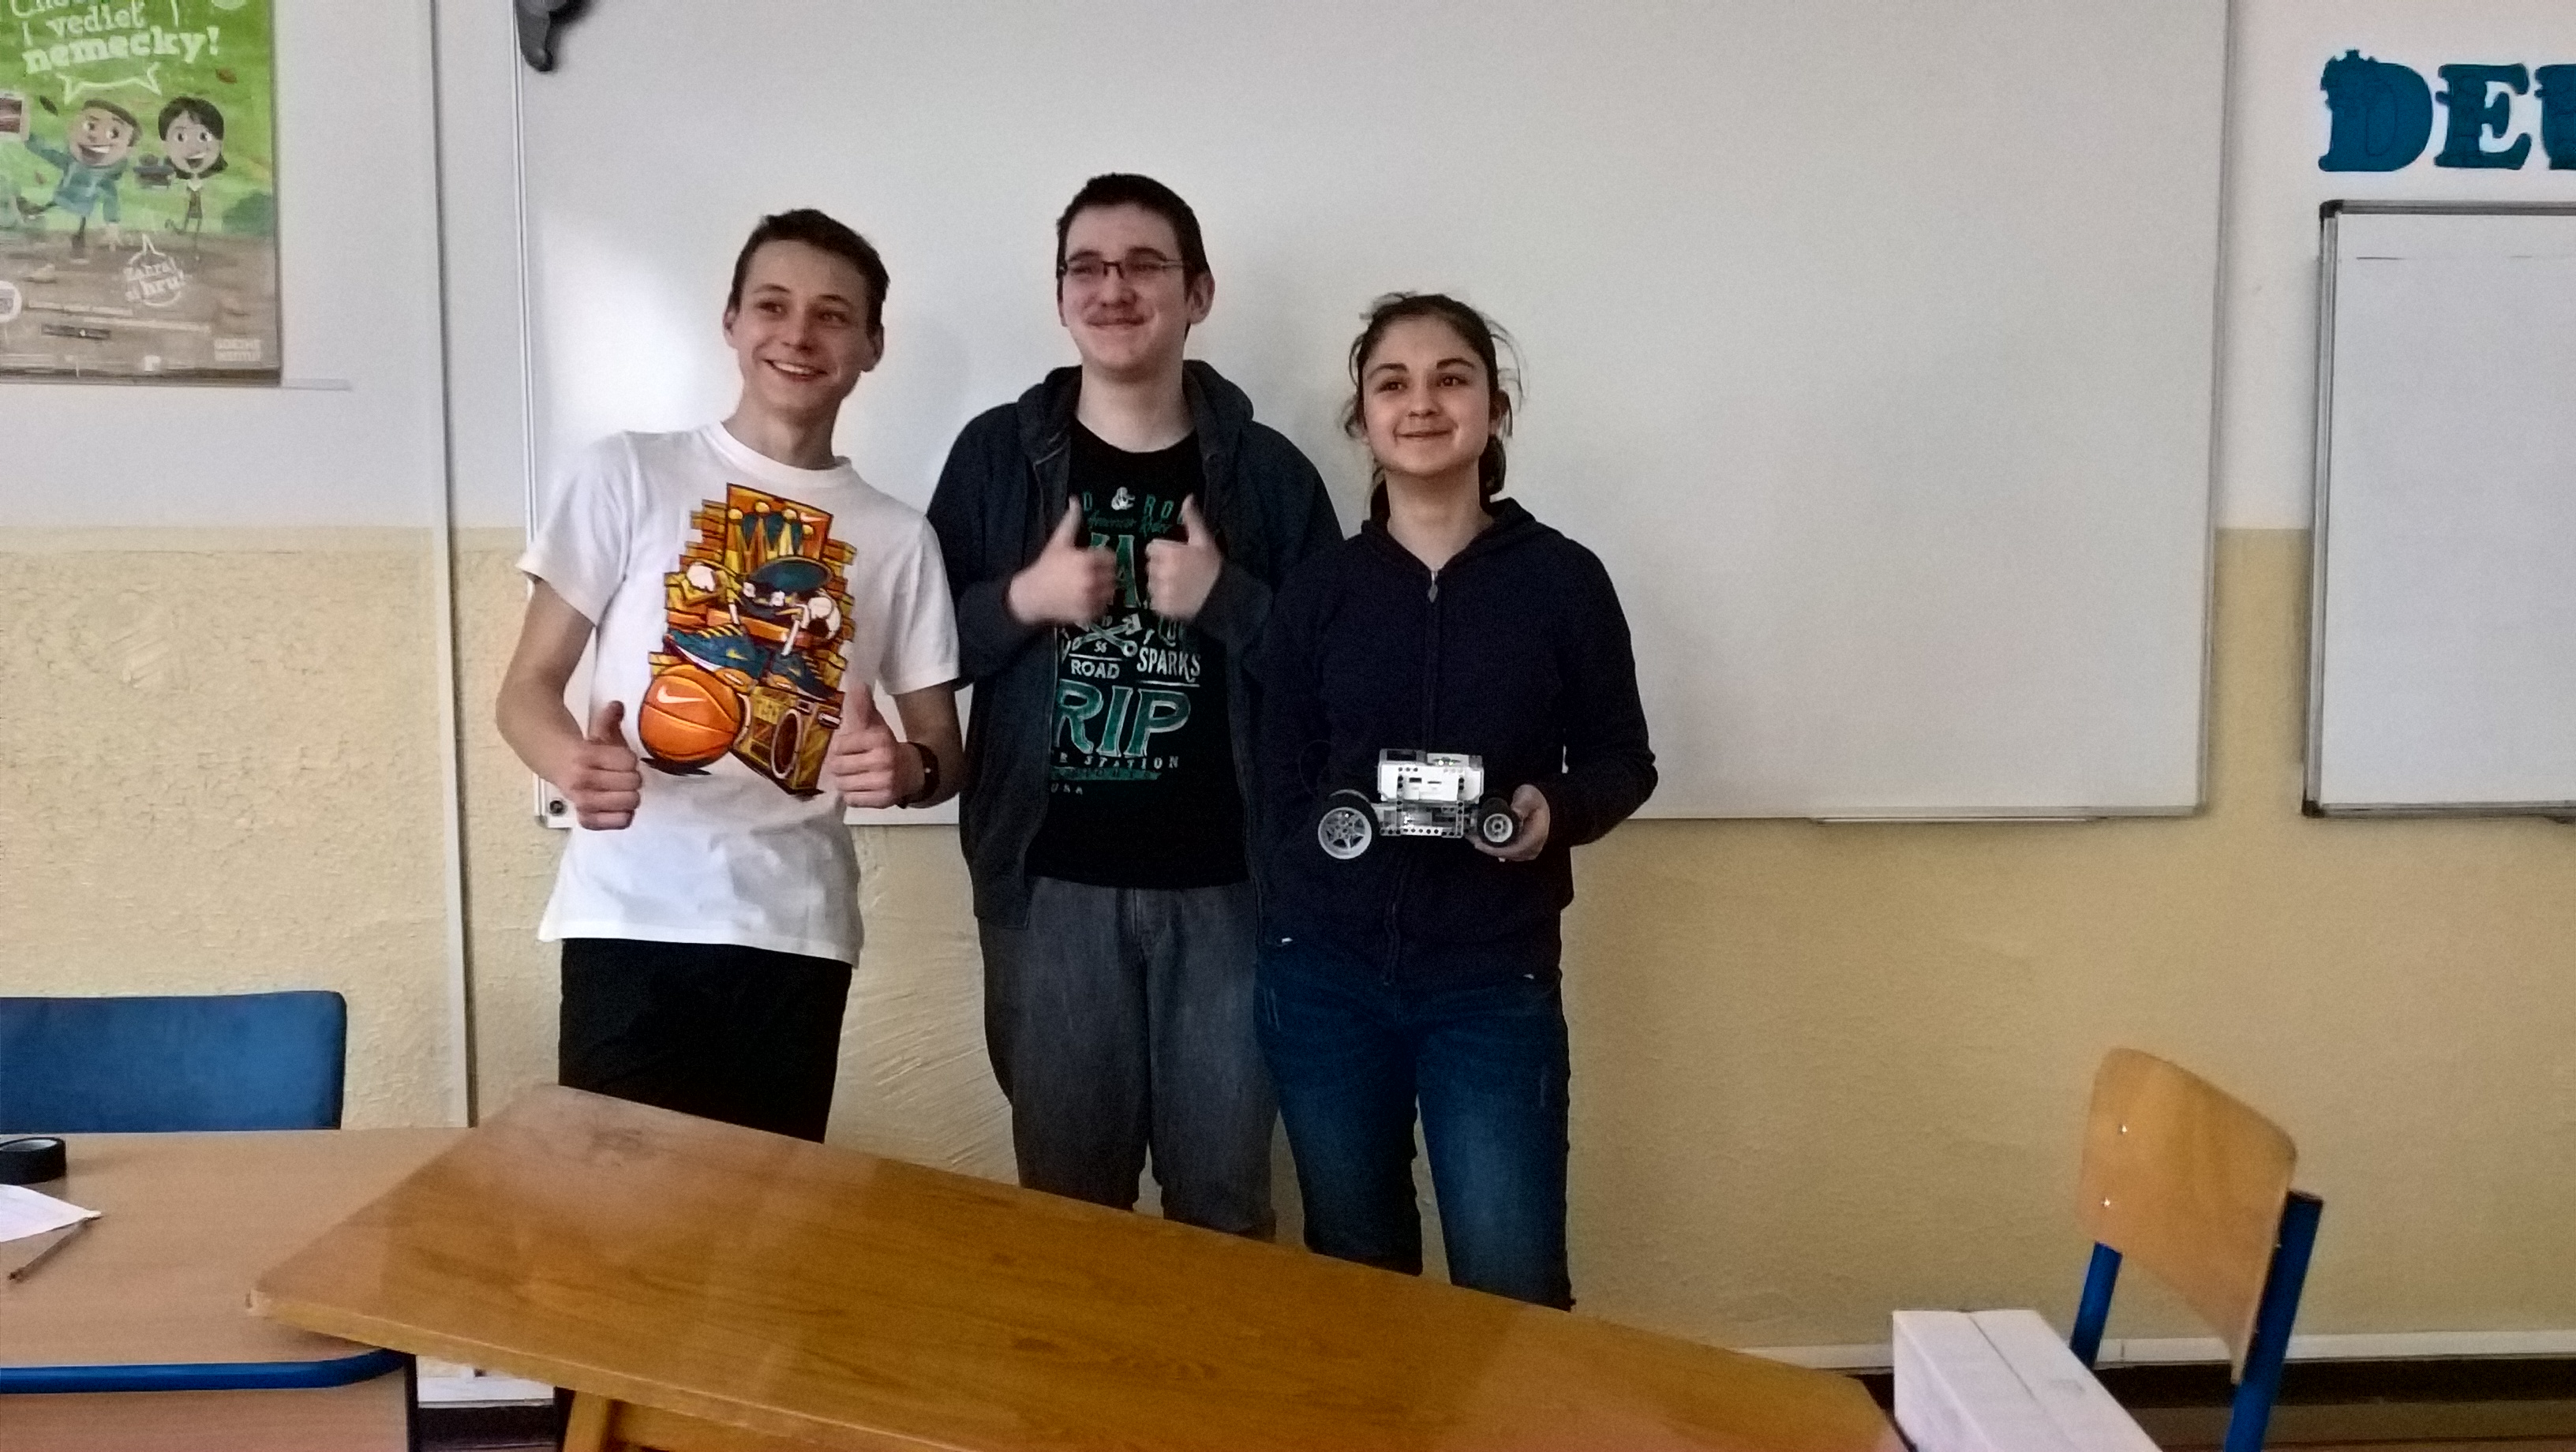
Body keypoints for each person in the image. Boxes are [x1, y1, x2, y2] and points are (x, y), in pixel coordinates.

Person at [927, 174, 1341, 1235]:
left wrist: (1228, 601)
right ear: (1061, 296)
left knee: (1224, 1204)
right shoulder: (996, 458)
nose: (1114, 288)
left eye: (1144, 264)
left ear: (1198, 293)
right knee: (1068, 1210)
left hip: (1232, 893)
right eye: (1088, 267)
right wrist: (1025, 600)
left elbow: (1338, 682)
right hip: (1047, 889)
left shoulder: (1270, 475)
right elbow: (917, 651)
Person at [496, 208, 961, 1143]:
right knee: (610, 1210)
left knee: (765, 1223)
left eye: (833, 315)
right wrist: (571, 763)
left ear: (872, 346)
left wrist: (907, 769)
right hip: (628, 919)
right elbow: (525, 690)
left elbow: (943, 751)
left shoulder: (899, 536)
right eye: (773, 305)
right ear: (732, 322)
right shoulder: (627, 473)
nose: (799, 334)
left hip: (794, 930)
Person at [1250, 293, 1657, 1308]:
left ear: (1496, 408)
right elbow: (1280, 773)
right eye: (1393, 383)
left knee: (1511, 1283)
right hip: (1325, 982)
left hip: (1491, 985)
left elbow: (1623, 758)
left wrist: (1554, 809)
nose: (1422, 403)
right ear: (1362, 418)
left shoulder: (1565, 582)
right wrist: (1315, 873)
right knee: (1359, 1278)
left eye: (1451, 379)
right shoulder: (1321, 591)